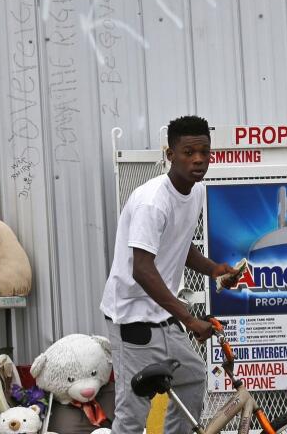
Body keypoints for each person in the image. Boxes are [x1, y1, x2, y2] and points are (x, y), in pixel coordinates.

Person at [100, 115, 238, 433]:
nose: (199, 159)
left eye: (204, 151)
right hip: (132, 320)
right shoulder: (152, 202)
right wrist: (189, 319)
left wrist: (213, 269)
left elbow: (178, 245)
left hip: (164, 316)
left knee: (192, 376)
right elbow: (142, 269)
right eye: (189, 152)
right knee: (133, 413)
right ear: (170, 154)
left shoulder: (196, 192)